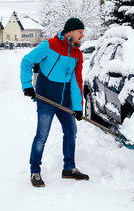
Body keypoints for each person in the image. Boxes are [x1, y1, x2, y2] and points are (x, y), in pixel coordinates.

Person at [20, 18, 89, 187]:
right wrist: (27, 84)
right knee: (42, 136)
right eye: (80, 31)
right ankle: (35, 170)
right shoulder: (49, 45)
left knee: (71, 132)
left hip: (65, 102)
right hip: (46, 100)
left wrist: (78, 107)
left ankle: (69, 168)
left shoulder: (77, 53)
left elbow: (76, 81)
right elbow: (27, 61)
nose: (82, 35)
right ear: (70, 31)